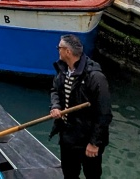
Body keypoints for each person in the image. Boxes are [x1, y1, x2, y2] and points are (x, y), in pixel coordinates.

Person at [50, 34, 112, 179]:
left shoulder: (95, 77)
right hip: (68, 136)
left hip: (87, 139)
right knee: (69, 174)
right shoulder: (63, 71)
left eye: (59, 48)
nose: (57, 51)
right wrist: (56, 106)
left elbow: (104, 114)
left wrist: (94, 143)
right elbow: (55, 90)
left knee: (92, 175)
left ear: (67, 52)